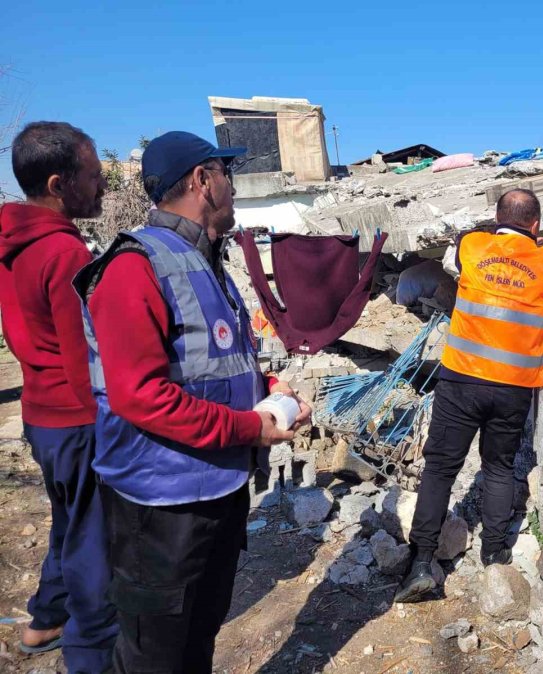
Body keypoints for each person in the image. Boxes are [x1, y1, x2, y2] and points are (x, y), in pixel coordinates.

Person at [74, 131, 311, 673]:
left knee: (197, 638)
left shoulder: (208, 265)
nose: (232, 185)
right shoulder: (133, 267)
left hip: (217, 493)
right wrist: (252, 430)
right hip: (160, 509)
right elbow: (142, 397)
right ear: (203, 181)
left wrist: (272, 395)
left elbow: (217, 366)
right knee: (154, 656)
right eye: (225, 173)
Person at [395, 188, 543, 603]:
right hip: (513, 387)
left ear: (496, 218)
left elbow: (463, 244)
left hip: (462, 380)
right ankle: (494, 552)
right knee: (499, 468)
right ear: (537, 226)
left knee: (440, 470)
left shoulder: (473, 246)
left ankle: (421, 564)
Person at [0, 122, 117, 670]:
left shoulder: (12, 243)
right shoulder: (64, 254)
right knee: (96, 538)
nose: (102, 188)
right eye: (93, 177)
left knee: (69, 517)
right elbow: (84, 356)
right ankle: (92, 650)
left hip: (41, 414)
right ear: (58, 183)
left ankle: (47, 617)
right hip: (76, 417)